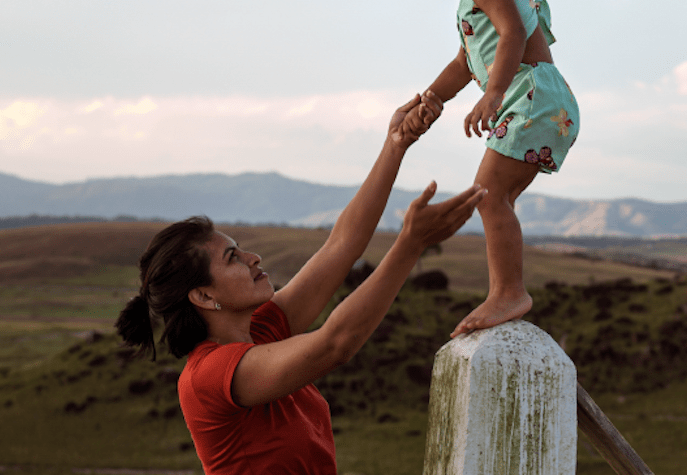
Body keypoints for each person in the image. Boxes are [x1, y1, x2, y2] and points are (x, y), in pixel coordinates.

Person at [116, 95, 486, 474]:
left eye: (240, 249)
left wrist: (395, 145)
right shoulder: (209, 376)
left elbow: (341, 246)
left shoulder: (262, 332)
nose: (252, 258)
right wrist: (409, 245)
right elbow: (336, 343)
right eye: (232, 258)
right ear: (204, 296)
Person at [385, 0, 580, 338]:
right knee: (496, 197)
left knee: (489, 196)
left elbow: (510, 34)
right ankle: (507, 291)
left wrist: (493, 94)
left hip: (532, 97)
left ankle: (509, 292)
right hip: (538, 98)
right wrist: (430, 99)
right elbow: (462, 64)